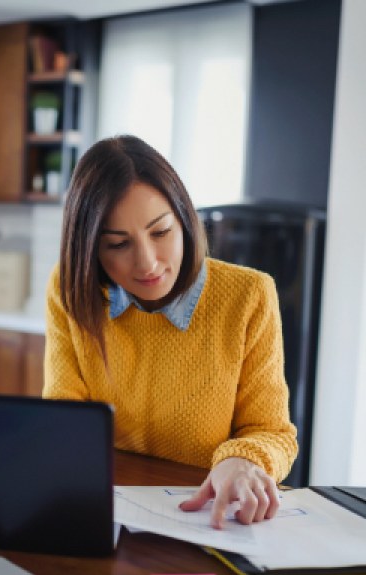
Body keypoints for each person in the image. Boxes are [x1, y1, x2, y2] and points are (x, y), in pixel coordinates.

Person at [42, 135, 298, 529]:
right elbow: (64, 421)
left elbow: (273, 432)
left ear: (184, 218)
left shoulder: (249, 295)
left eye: (160, 233)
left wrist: (243, 460)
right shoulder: (71, 291)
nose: (147, 263)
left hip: (212, 521)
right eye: (117, 244)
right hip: (105, 513)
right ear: (91, 249)